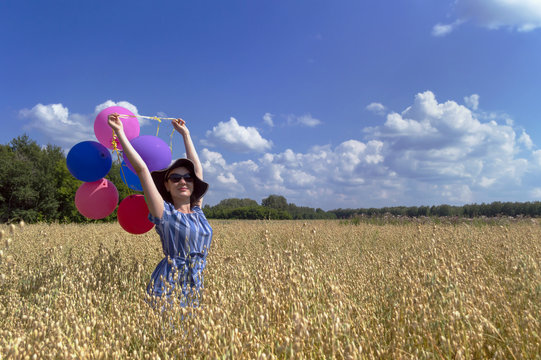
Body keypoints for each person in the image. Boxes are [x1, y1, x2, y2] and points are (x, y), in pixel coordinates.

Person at [108, 113, 213, 307]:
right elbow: (142, 170)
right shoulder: (165, 214)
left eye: (187, 178)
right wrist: (120, 133)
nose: (183, 181)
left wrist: (186, 135)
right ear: (166, 186)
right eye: (175, 178)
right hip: (169, 285)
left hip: (196, 284)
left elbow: (198, 170)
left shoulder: (198, 212)